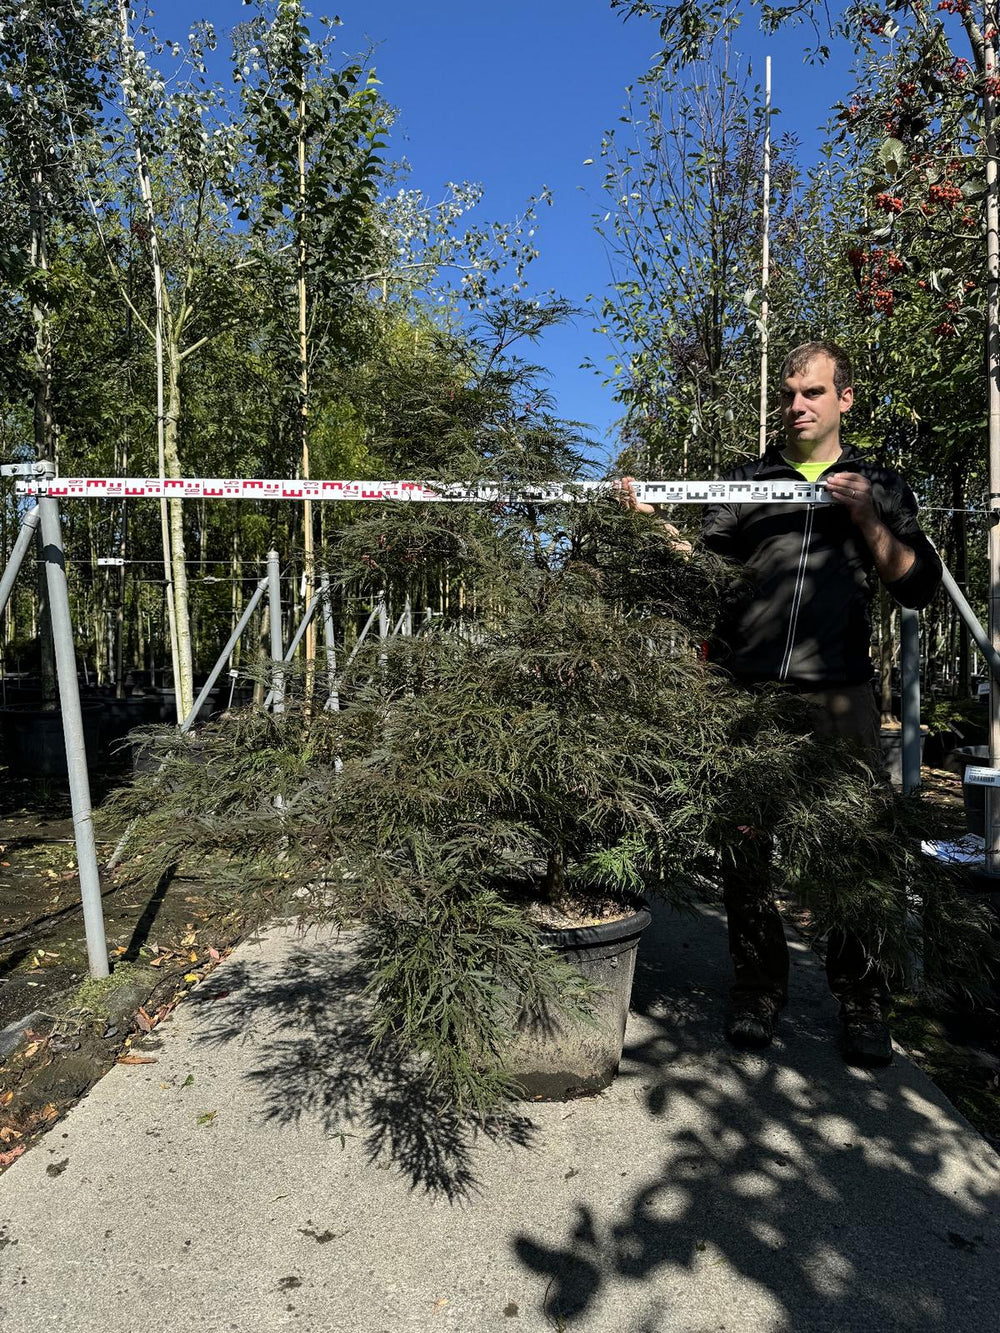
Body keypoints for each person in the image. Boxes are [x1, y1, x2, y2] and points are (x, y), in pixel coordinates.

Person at [616, 341, 942, 1066]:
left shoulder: (879, 482)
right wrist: (646, 518)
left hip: (838, 694)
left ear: (844, 399)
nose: (797, 405)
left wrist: (866, 518)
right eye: (790, 394)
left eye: (813, 393)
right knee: (745, 845)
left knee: (852, 846)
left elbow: (917, 583)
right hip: (746, 690)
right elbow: (705, 573)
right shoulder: (749, 481)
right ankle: (758, 988)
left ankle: (861, 998)